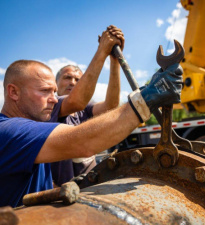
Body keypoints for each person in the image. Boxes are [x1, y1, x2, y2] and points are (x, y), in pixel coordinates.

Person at [0, 34, 183, 208]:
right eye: (45, 91)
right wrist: (147, 98)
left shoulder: (37, 123)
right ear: (14, 92)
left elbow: (109, 108)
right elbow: (81, 141)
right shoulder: (10, 131)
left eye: (54, 92)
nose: (54, 99)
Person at [50, 29, 122, 187]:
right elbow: (76, 101)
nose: (73, 83)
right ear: (55, 84)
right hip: (60, 191)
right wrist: (102, 51)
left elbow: (110, 107)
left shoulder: (85, 109)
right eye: (67, 78)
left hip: (89, 186)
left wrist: (114, 61)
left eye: (78, 79)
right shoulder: (51, 105)